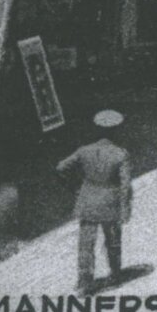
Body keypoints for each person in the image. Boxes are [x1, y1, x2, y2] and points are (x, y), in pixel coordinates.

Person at [56, 109, 132, 294]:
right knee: (112, 241)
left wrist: (74, 187)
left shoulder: (84, 151)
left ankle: (84, 281)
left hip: (88, 200)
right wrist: (125, 208)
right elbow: (125, 185)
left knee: (85, 244)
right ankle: (114, 275)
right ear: (116, 130)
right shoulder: (120, 154)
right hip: (110, 202)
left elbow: (60, 168)